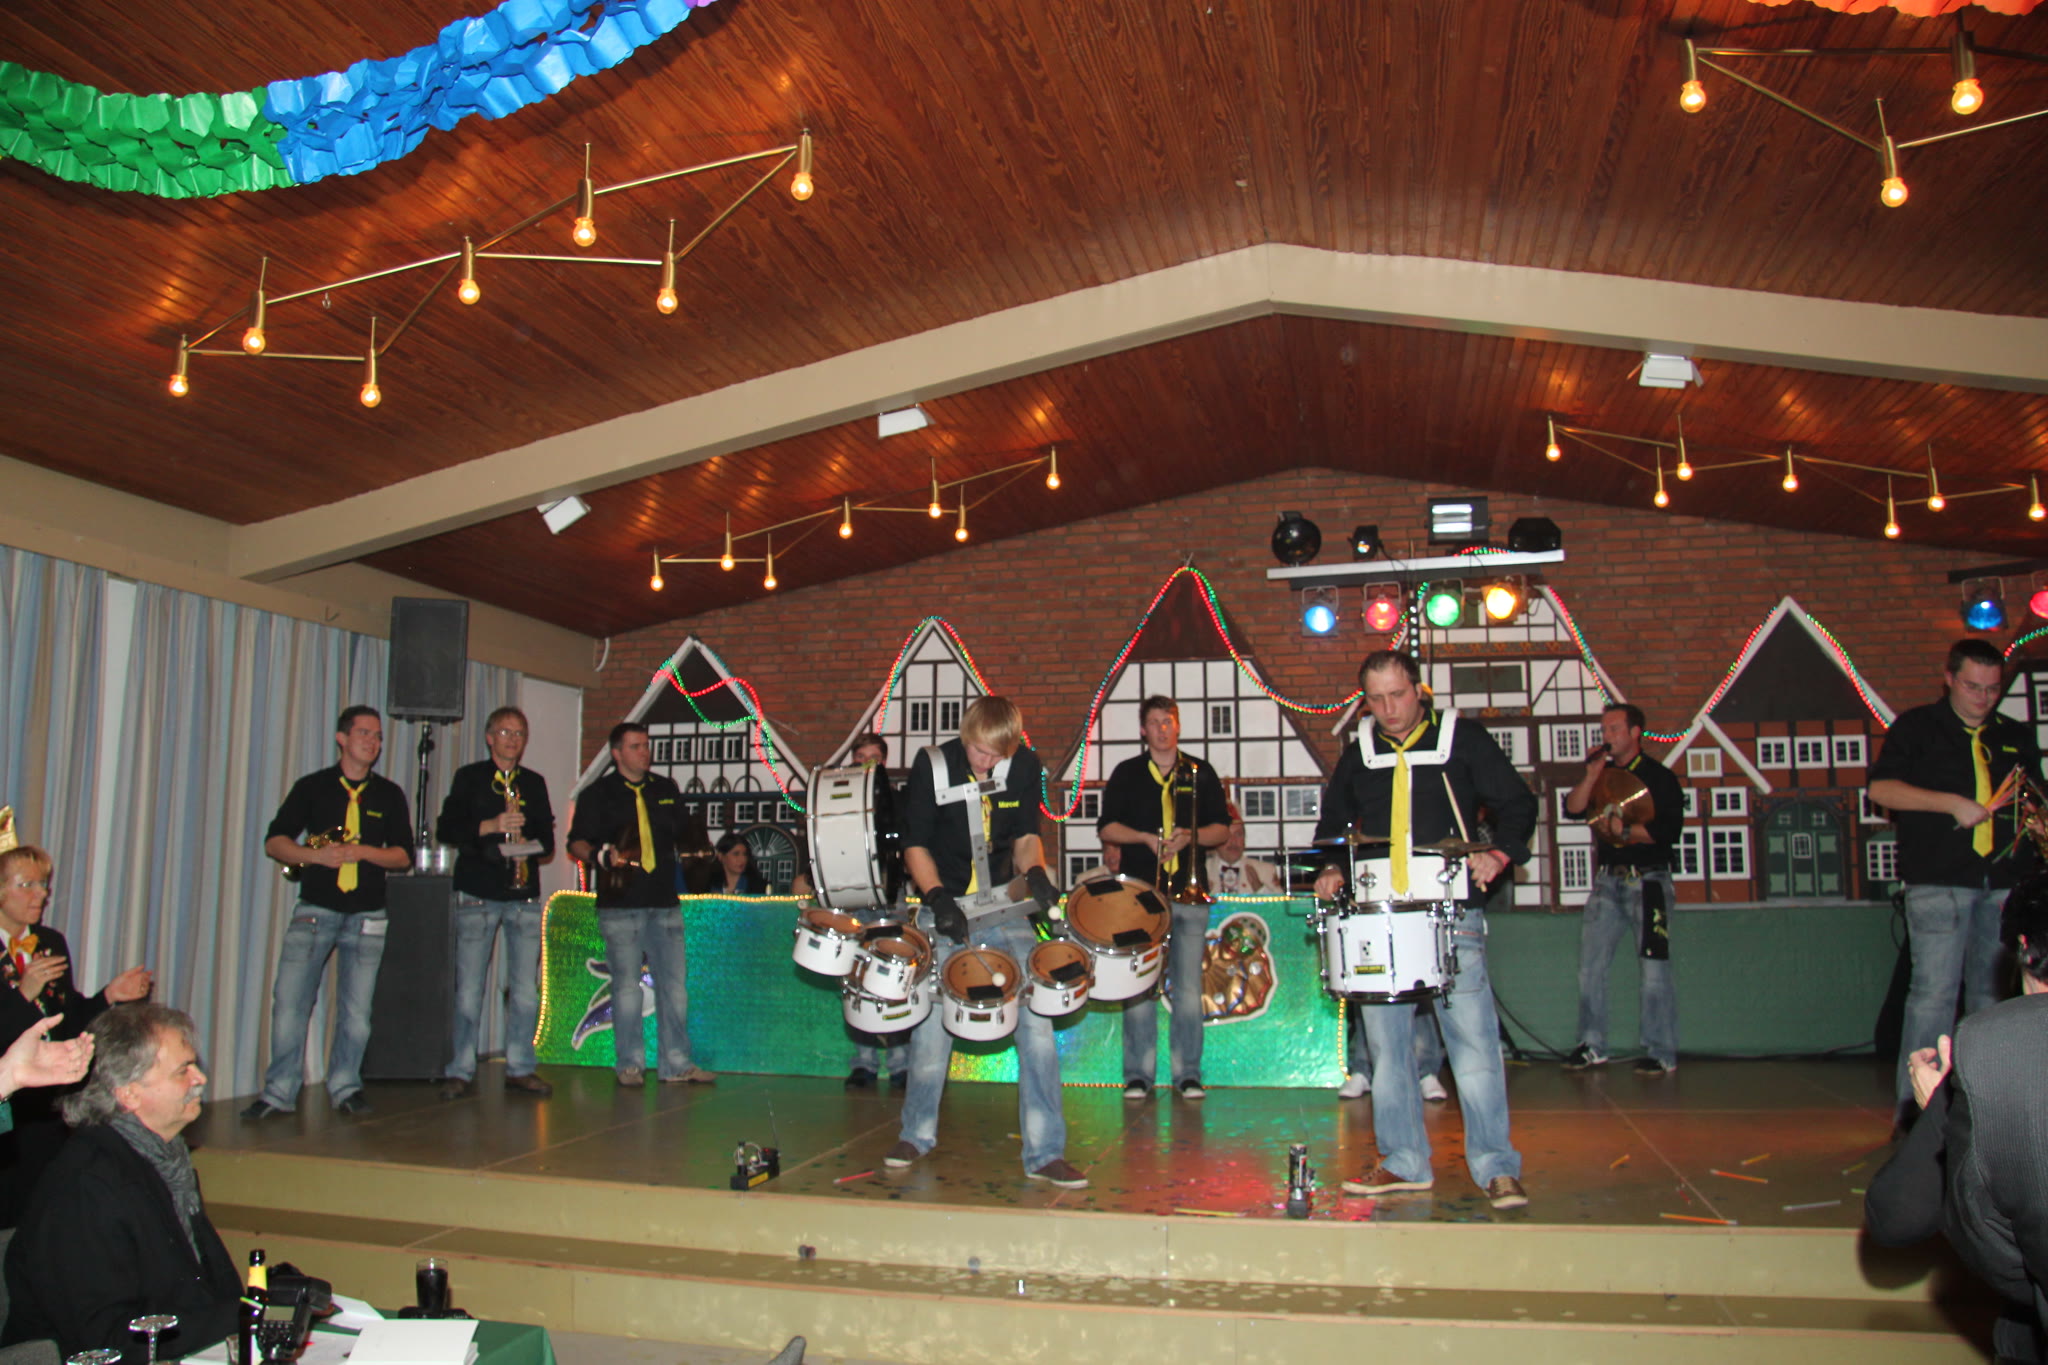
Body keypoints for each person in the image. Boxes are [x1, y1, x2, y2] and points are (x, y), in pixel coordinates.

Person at [1313, 650, 1535, 1211]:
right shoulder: (1359, 752)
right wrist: (1332, 867)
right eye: (1376, 699)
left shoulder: (1463, 739)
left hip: (1452, 914)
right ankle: (1404, 1160)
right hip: (1378, 915)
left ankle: (1496, 1167)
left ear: (1419, 690)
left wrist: (1500, 854)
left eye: (1398, 695)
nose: (1388, 709)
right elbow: (1333, 823)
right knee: (1386, 1050)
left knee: (1474, 1047)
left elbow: (1518, 804)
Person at [883, 697, 1085, 1188]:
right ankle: (916, 1134)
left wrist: (1036, 874)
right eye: (978, 750)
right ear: (966, 735)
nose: (985, 761)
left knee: (1037, 1022)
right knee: (932, 1025)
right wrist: (936, 897)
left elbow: (1024, 837)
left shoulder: (1025, 767)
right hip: (946, 902)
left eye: (996, 755)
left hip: (1003, 907)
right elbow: (915, 844)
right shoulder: (932, 766)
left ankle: (1045, 1152)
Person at [3, 1004, 241, 1364]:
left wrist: (262, 1305)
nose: (200, 1079)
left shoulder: (165, 1159)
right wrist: (243, 1316)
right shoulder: (86, 1185)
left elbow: (206, 1289)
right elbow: (105, 1337)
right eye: (183, 1070)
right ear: (128, 1094)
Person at [1869, 638, 2043, 1121]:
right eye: (1972, 687)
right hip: (1938, 880)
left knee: (1993, 1000)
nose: (1983, 698)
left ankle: (1988, 1112)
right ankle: (1915, 1115)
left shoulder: (2015, 734)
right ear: (1948, 679)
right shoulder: (1917, 728)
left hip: (2005, 881)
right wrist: (1951, 804)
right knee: (1933, 996)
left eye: (1992, 689)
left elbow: (2035, 795)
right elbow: (1881, 789)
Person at [243, 706, 412, 1119]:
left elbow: (402, 856)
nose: (372, 742)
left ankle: (346, 1086)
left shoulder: (389, 794)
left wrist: (362, 852)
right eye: (364, 733)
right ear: (342, 738)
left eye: (377, 736)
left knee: (356, 1013)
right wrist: (315, 856)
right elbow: (274, 842)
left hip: (368, 914)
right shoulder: (313, 787)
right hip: (316, 909)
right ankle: (278, 1092)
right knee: (290, 1004)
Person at [0, 843, 152, 1224]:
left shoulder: (49, 942)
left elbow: (67, 1020)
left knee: (47, 1209)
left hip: (49, 1104)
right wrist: (23, 995)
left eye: (43, 884)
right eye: (27, 885)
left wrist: (109, 996)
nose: (41, 894)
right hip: (8, 1104)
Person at [1097, 696, 1231, 1101]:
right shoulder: (1127, 773)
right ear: (1143, 729)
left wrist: (1191, 837)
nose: (1161, 728)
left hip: (1190, 894)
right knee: (1139, 988)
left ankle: (1187, 1074)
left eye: (1168, 721)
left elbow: (1222, 830)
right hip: (1141, 898)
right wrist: (1143, 838)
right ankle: (1138, 1075)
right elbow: (1106, 828)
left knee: (1189, 991)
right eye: (1154, 722)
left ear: (1178, 725)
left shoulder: (1201, 772)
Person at [567, 722, 713, 1088]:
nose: (644, 752)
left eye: (646, 745)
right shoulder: (598, 794)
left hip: (664, 903)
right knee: (627, 989)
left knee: (674, 988)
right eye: (635, 746)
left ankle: (676, 1064)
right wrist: (599, 855)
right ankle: (630, 1064)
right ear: (617, 753)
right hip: (621, 905)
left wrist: (701, 855)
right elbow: (576, 842)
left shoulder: (665, 789)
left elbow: (686, 836)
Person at [434, 706, 556, 1101]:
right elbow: (447, 829)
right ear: (489, 738)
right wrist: (491, 826)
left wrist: (528, 843)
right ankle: (460, 1069)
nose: (513, 740)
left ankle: (520, 1067)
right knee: (469, 989)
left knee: (524, 990)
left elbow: (548, 843)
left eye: (519, 733)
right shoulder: (469, 778)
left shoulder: (533, 783)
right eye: (505, 732)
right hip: (478, 892)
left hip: (523, 895)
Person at [1560, 702, 1686, 1076]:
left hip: (1648, 880)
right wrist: (1591, 775)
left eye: (1614, 729)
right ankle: (1591, 1044)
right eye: (1604, 730)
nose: (1607, 736)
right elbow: (1574, 807)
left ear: (1635, 733)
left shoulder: (1659, 777)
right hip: (1607, 881)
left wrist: (1626, 831)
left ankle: (1661, 1051)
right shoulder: (1603, 774)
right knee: (1591, 966)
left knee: (1654, 970)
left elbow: (1668, 831)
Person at [841, 733, 906, 1092]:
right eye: (859, 757)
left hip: (889, 897)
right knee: (856, 982)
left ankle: (900, 1063)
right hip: (853, 896)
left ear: (883, 762)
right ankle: (863, 1062)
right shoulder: (841, 801)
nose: (866, 763)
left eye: (873, 757)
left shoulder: (896, 801)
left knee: (894, 979)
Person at [1207, 805, 1285, 894]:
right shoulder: (1202, 872)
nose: (1233, 841)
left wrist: (1260, 889)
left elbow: (1280, 902)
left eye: (1238, 834)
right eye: (1227, 835)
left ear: (1244, 840)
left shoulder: (1265, 870)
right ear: (1216, 840)